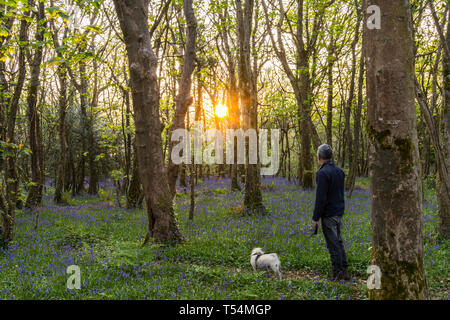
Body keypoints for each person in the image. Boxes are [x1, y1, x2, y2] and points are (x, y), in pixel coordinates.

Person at [312, 144, 350, 281]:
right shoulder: (339, 171)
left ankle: (338, 274)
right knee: (338, 243)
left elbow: (320, 198)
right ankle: (344, 271)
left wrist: (315, 218)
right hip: (339, 213)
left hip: (328, 215)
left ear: (319, 156)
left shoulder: (322, 173)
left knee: (333, 245)